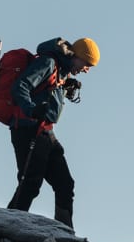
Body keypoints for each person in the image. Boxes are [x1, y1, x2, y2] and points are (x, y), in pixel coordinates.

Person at [6, 36, 99, 232]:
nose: (86, 70)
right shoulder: (48, 63)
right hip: (27, 128)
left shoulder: (62, 71)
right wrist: (32, 109)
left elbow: (46, 91)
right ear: (78, 56)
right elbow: (20, 86)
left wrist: (65, 87)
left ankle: (65, 234)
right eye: (86, 64)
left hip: (45, 132)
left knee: (65, 184)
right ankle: (7, 230)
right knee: (30, 183)